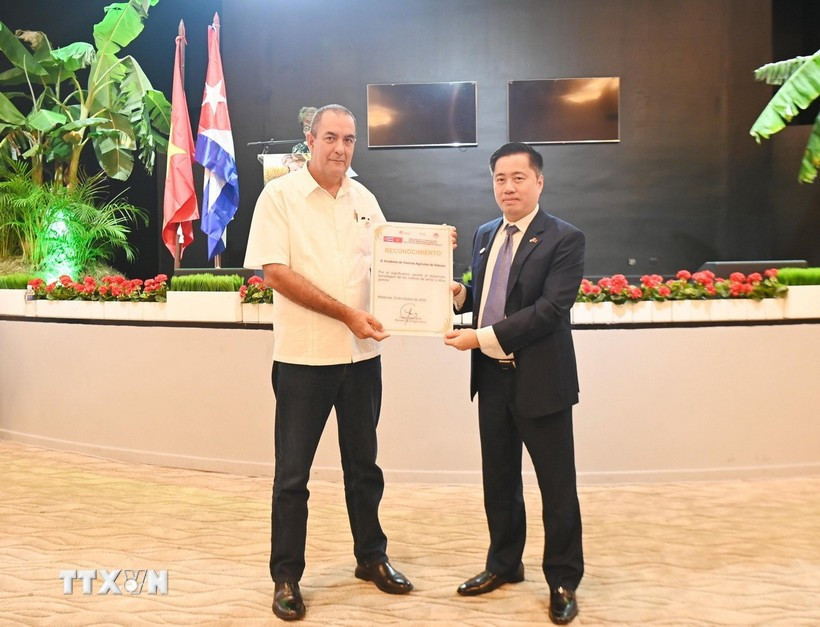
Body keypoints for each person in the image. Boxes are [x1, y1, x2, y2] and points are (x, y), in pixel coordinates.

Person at [244, 104, 413, 622]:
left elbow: (391, 265)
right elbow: (276, 273)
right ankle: (286, 577)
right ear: (311, 139)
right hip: (304, 358)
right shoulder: (279, 197)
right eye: (331, 137)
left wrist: (433, 271)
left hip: (362, 358)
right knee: (293, 476)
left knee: (364, 467)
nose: (341, 148)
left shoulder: (365, 199)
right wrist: (346, 314)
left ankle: (371, 557)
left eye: (349, 139)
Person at [443, 142, 585, 625]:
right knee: (499, 481)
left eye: (518, 178)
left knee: (556, 486)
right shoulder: (486, 234)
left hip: (541, 381)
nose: (508, 187)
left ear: (539, 181)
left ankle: (563, 579)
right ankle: (504, 564)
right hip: (492, 379)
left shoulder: (565, 238)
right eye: (500, 179)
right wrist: (460, 294)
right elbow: (490, 297)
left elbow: (549, 310)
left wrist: (480, 337)